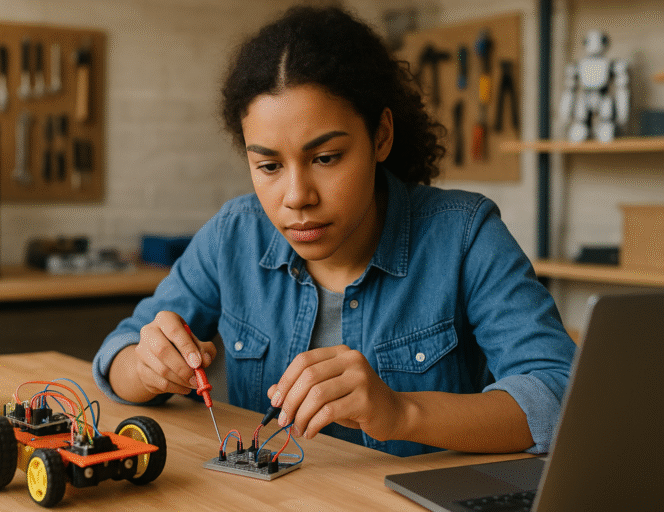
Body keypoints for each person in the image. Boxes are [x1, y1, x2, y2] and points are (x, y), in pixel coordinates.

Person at [93, 5, 576, 457]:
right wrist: (148, 365)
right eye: (268, 165)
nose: (297, 195)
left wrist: (402, 412)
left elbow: (561, 396)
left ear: (380, 136)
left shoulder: (465, 236)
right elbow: (117, 355)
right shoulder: (234, 235)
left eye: (325, 158)